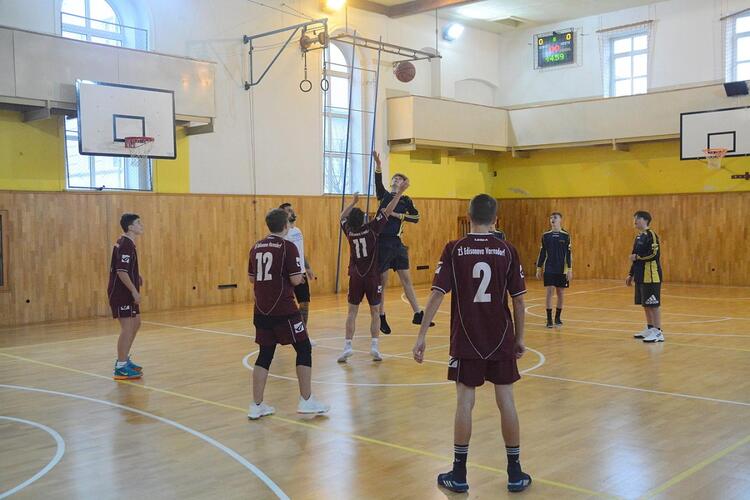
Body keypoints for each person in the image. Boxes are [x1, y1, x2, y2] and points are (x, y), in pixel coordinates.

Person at [412, 194, 532, 494]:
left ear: (468, 216)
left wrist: (422, 335)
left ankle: (459, 473)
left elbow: (437, 294)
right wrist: (519, 338)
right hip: (500, 336)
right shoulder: (507, 250)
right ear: (496, 219)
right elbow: (519, 301)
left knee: (465, 402)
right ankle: (515, 472)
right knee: (507, 401)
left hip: (466, 338)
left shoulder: (454, 249)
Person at [247, 208, 329, 420]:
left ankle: (256, 405)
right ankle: (306, 400)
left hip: (261, 309)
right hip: (284, 309)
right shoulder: (288, 247)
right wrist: (299, 277)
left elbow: (252, 278)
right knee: (304, 348)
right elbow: (294, 279)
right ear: (285, 226)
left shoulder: (256, 247)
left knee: (265, 354)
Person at [338, 179, 410, 363]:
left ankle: (347, 346)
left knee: (352, 313)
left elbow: (341, 217)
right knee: (375, 312)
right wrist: (400, 193)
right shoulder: (372, 229)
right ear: (364, 219)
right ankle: (375, 347)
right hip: (372, 276)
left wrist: (353, 202)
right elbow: (387, 211)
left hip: (356, 276)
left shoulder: (349, 232)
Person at [372, 151, 433, 334]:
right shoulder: (384, 195)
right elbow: (378, 181)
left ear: (404, 184)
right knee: (382, 281)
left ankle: (417, 313)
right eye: (394, 178)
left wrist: (398, 215)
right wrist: (378, 165)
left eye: (399, 178)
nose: (396, 179)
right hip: (382, 242)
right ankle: (382, 316)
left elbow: (416, 217)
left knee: (406, 279)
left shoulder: (406, 200)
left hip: (397, 243)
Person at [108, 213, 145, 380]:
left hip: (127, 291)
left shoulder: (129, 243)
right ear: (130, 227)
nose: (141, 225)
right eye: (138, 223)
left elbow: (126, 268)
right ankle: (121, 367)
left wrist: (136, 276)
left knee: (136, 323)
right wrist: (134, 291)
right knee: (127, 328)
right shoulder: (125, 244)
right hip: (121, 293)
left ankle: (124, 360)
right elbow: (121, 271)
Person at [626, 211, 664, 343]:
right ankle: (650, 328)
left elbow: (654, 254)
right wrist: (630, 274)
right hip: (640, 275)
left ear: (644, 220)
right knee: (646, 304)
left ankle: (658, 332)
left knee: (653, 304)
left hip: (651, 275)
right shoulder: (638, 237)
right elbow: (634, 257)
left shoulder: (651, 235)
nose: (634, 221)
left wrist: (638, 257)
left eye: (637, 218)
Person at [279, 203, 315, 333]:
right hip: (289, 275)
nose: (292, 212)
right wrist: (293, 274)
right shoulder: (282, 234)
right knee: (286, 306)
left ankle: (303, 334)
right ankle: (285, 332)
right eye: (289, 210)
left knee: (304, 303)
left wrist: (307, 267)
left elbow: (300, 252)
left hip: (301, 272)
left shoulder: (298, 231)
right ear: (283, 214)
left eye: (292, 209)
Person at [535, 212, 572, 328]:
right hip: (549, 268)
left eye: (555, 217)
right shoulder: (545, 236)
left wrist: (569, 269)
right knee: (549, 292)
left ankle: (557, 318)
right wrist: (539, 267)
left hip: (561, 269)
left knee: (560, 293)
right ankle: (549, 319)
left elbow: (569, 254)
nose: (552, 219)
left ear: (560, 220)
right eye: (551, 217)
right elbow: (542, 253)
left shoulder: (566, 235)